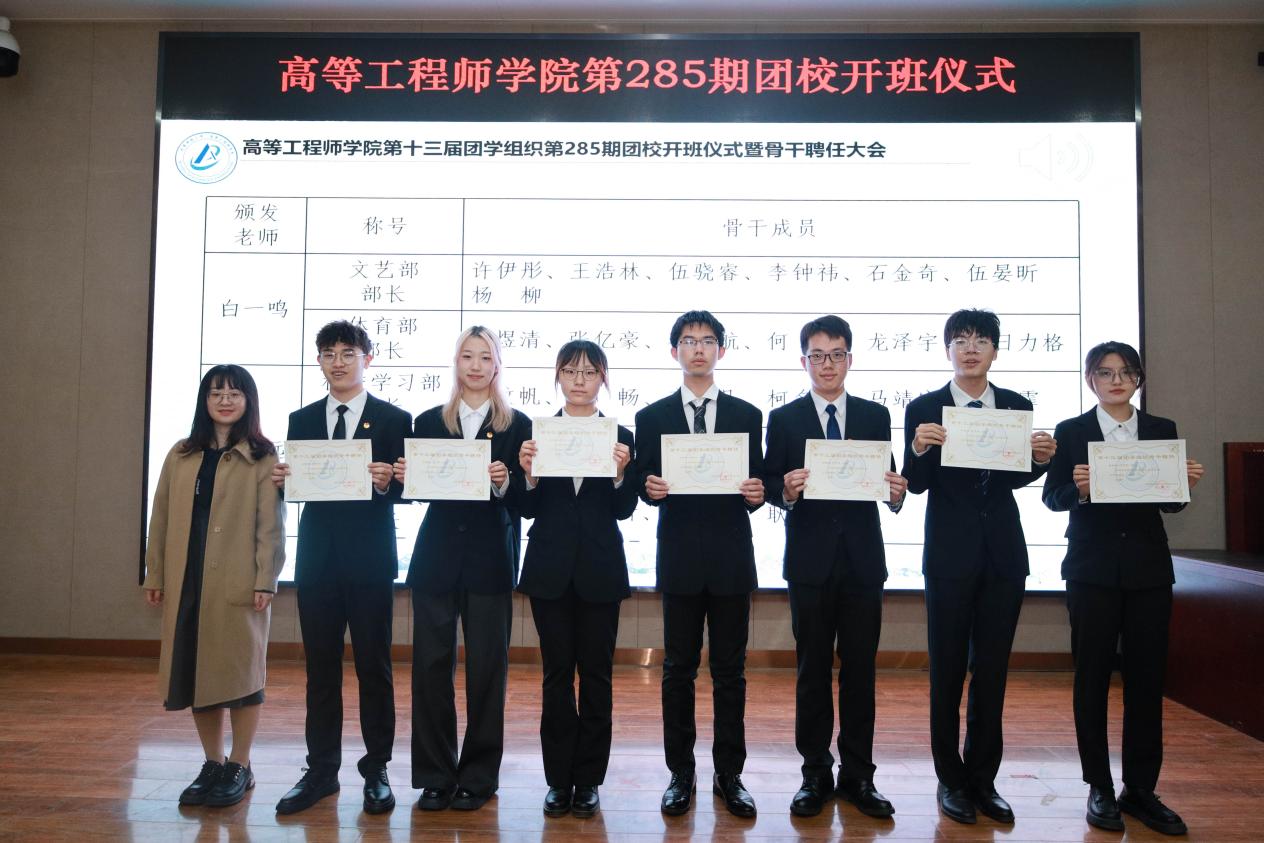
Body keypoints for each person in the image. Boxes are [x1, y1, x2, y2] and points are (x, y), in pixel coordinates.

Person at [901, 308, 1057, 825]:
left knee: (992, 672)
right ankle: (950, 779)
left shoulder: (1016, 406)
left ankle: (984, 779)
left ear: (995, 350)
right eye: (961, 340)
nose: (970, 348)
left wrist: (1040, 460)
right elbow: (916, 483)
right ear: (947, 349)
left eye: (981, 340)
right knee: (946, 670)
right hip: (949, 555)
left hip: (1003, 554)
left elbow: (1013, 477)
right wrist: (919, 447)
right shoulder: (925, 407)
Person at [1043, 341, 1203, 836]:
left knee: (1147, 681)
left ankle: (1141, 789)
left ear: (1138, 379)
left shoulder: (1161, 430)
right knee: (1091, 679)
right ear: (1090, 379)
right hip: (1091, 571)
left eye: (1126, 372)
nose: (1116, 381)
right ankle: (1099, 786)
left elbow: (1170, 503)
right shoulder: (1072, 431)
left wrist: (1184, 485)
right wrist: (1080, 490)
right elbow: (1053, 497)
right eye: (1105, 372)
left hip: (1148, 571)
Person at [762, 316, 908, 819]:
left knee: (861, 671)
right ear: (804, 361)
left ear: (850, 359)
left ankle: (859, 775)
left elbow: (886, 484)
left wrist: (896, 494)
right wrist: (786, 490)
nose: (828, 364)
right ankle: (815, 774)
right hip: (810, 564)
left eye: (837, 354)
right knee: (812, 672)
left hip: (863, 563)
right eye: (818, 356)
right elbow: (770, 484)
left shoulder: (874, 414)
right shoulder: (783, 418)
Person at [271, 320, 411, 815]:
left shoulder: (394, 418)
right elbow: (298, 488)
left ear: (367, 360)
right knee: (320, 670)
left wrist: (387, 483)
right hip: (318, 562)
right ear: (319, 361)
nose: (338, 361)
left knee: (374, 667)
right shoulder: (302, 419)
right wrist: (282, 482)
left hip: (370, 562)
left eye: (348, 352)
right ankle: (322, 771)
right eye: (329, 353)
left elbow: (408, 489)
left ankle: (377, 769)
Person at [634, 309, 765, 819]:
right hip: (681, 559)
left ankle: (729, 774)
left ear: (721, 351)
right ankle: (680, 773)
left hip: (731, 559)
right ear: (675, 352)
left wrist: (757, 493)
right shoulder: (651, 418)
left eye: (708, 341)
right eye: (689, 341)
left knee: (731, 673)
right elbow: (643, 483)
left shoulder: (747, 415)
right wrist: (649, 487)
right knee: (677, 671)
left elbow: (759, 482)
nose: (698, 349)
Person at [395, 325, 531, 812]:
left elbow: (526, 502)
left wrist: (505, 482)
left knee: (487, 671)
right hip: (436, 559)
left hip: (490, 559)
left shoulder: (519, 425)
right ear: (456, 364)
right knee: (430, 668)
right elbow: (414, 491)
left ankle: (478, 776)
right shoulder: (429, 421)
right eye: (467, 356)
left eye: (485, 357)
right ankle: (435, 775)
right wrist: (405, 477)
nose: (475, 365)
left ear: (497, 366)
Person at [143, 364, 285, 808]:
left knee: (241, 675)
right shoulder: (180, 453)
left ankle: (240, 765)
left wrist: (265, 578)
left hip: (238, 580)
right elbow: (160, 518)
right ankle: (212, 762)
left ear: (248, 401)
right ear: (204, 401)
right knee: (196, 672)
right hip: (187, 578)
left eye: (234, 393)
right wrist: (155, 574)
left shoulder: (262, 456)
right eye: (216, 392)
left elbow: (271, 526)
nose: (225, 400)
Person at [516, 340, 638, 819]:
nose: (580, 380)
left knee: (598, 677)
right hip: (549, 570)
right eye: (570, 371)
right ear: (558, 377)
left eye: (590, 372)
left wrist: (620, 475)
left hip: (600, 571)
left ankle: (587, 780)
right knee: (556, 676)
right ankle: (558, 779)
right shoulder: (538, 433)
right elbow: (526, 508)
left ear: (603, 378)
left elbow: (624, 509)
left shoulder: (620, 435)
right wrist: (528, 476)